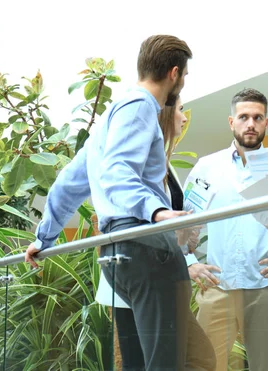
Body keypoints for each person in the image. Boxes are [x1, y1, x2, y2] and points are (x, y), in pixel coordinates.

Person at [25, 35, 215, 371]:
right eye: (184, 77)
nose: (182, 83)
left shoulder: (106, 124)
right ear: (174, 73)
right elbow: (118, 172)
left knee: (138, 366)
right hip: (147, 247)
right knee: (165, 365)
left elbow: (68, 185)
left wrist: (45, 237)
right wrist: (155, 210)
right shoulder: (142, 106)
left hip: (116, 253)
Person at [95, 96, 204, 370]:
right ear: (166, 115)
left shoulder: (166, 165)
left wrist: (187, 240)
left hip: (160, 270)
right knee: (138, 362)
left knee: (160, 360)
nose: (184, 117)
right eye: (180, 110)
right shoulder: (139, 161)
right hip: (137, 268)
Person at [183, 88, 268, 371]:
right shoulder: (208, 167)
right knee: (205, 365)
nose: (250, 123)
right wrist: (189, 263)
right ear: (232, 122)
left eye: (257, 117)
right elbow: (183, 221)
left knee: (264, 367)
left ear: (267, 122)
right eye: (243, 117)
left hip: (265, 287)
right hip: (218, 286)